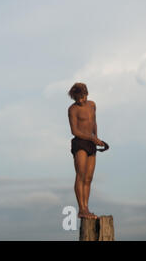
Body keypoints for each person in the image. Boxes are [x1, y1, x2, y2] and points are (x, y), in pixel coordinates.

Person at [67, 82, 105, 219]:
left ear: (86, 94)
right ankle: (81, 209)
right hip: (80, 142)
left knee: (88, 178)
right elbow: (74, 131)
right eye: (78, 99)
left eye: (83, 97)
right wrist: (91, 138)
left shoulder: (92, 105)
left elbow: (94, 122)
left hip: (91, 143)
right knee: (81, 175)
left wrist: (96, 138)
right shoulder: (72, 110)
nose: (81, 101)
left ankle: (86, 208)